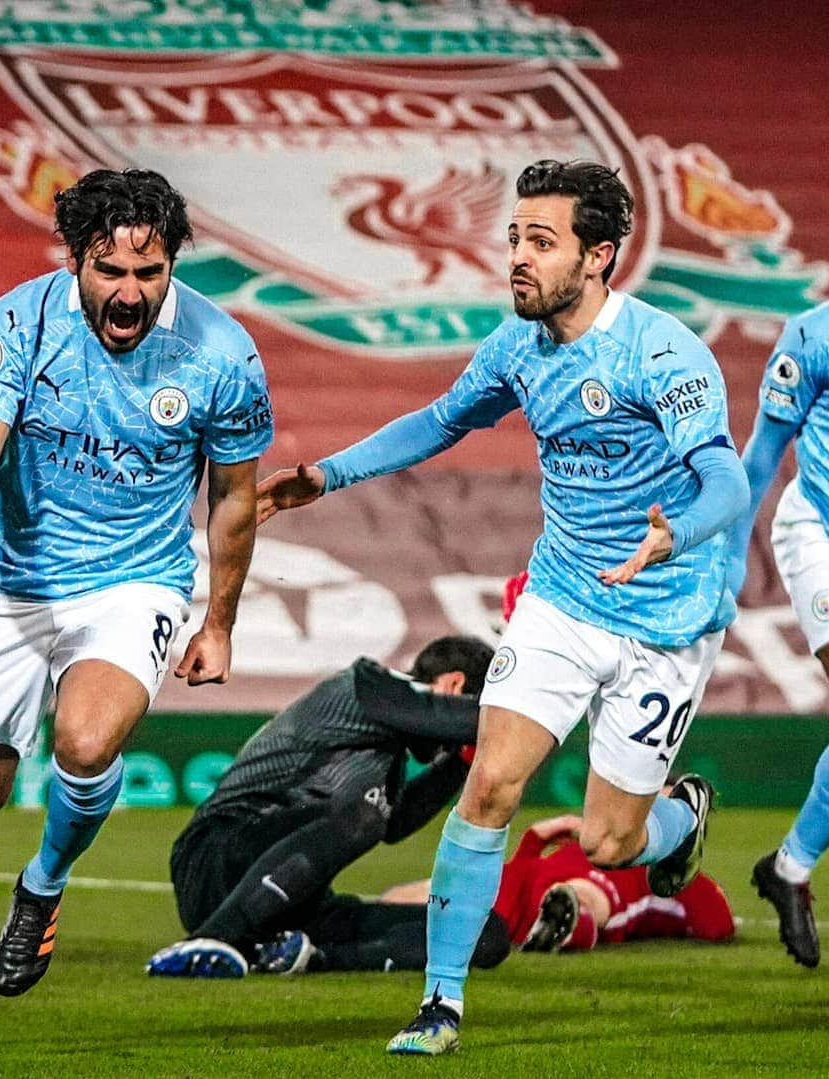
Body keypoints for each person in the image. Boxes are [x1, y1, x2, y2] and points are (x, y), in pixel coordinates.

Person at [258, 158, 749, 1055]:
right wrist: (328, 473)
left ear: (599, 256)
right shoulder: (518, 348)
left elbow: (723, 473)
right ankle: (440, 1005)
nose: (517, 257)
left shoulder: (663, 353)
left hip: (667, 615)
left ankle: (681, 817)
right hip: (561, 600)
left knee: (609, 842)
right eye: (515, 237)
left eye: (541, 242)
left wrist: (674, 534)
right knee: (489, 785)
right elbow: (443, 418)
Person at [0, 169, 274, 1052]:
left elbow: (233, 497)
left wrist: (217, 620)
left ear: (173, 267)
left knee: (85, 741)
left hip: (132, 581)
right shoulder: (16, 324)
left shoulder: (222, 352)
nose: (131, 292)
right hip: (7, 586)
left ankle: (43, 885)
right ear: (76, 260)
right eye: (111, 271)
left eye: (150, 275)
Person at [145, 636, 511, 978]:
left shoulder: (388, 749)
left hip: (288, 898)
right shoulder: (368, 684)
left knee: (480, 932)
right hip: (215, 860)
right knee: (365, 814)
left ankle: (301, 956)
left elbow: (394, 824)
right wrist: (523, 715)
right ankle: (212, 940)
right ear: (453, 686)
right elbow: (459, 720)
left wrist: (463, 761)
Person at [727, 301, 829, 969]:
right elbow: (761, 455)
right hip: (818, 531)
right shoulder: (811, 336)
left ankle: (789, 866)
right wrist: (727, 560)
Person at [382, 813, 735, 953]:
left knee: (585, 892)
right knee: (398, 899)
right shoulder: (591, 838)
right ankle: (340, 923)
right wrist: (536, 838)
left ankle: (564, 921)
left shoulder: (676, 880)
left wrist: (682, 868)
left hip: (596, 891)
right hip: (516, 884)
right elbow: (529, 868)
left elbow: (718, 925)